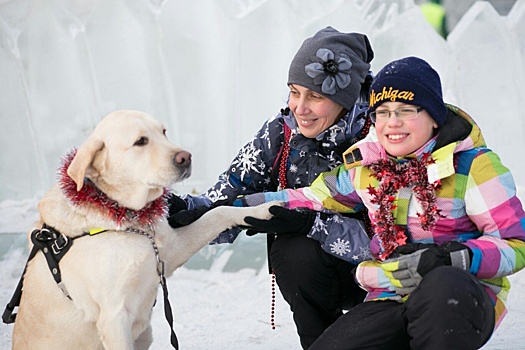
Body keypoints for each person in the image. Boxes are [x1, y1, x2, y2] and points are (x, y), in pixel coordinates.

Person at [239, 56, 525, 349]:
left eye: (406, 111)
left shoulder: (473, 166)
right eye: (383, 112)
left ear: (435, 116)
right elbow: (310, 197)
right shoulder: (367, 166)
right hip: (390, 292)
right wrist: (229, 210)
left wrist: (454, 257)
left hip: (460, 296)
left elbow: (517, 244)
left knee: (442, 285)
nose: (393, 123)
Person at [167, 26, 375, 349]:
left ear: (344, 99)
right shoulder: (281, 133)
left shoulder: (382, 137)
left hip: (383, 275)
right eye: (294, 91)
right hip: (321, 275)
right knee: (293, 251)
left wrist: (313, 223)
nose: (299, 107)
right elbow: (230, 192)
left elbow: (395, 237)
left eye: (315, 96)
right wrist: (188, 212)